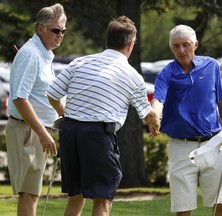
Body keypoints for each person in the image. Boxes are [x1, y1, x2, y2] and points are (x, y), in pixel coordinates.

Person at [46, 15, 160, 216]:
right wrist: (155, 122)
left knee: (75, 198)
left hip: (70, 132)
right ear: (130, 44)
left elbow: (53, 94)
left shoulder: (79, 62)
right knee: (102, 201)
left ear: (108, 40)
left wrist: (65, 115)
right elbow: (147, 115)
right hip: (98, 135)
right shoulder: (132, 75)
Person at [151, 24, 222, 216]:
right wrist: (154, 117)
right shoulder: (166, 74)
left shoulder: (211, 66)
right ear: (171, 48)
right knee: (183, 208)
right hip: (180, 147)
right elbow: (158, 100)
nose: (181, 50)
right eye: (176, 46)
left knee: (219, 204)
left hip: (213, 144)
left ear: (195, 44)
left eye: (186, 45)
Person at [5, 3, 67, 216]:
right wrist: (42, 133)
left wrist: (64, 114)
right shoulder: (32, 54)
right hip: (28, 130)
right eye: (56, 30)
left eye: (63, 31)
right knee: (29, 193)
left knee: (31, 192)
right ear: (40, 28)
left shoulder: (43, 54)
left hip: (35, 129)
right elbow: (20, 98)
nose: (60, 35)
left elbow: (45, 95)